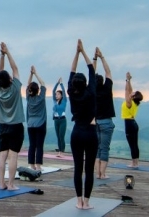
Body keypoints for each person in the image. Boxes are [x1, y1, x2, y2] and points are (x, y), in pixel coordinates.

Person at [68, 39, 98, 209]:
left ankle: (78, 201)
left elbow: (71, 71)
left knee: (78, 168)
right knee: (89, 169)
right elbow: (91, 70)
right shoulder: (91, 92)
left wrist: (76, 53)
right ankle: (86, 202)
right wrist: (83, 51)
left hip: (77, 133)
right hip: (90, 132)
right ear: (85, 83)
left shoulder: (72, 92)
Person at [0, 42, 25, 191]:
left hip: (3, 126)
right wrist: (7, 53)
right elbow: (15, 69)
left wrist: (2, 55)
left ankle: (1, 184)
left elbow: (0, 71)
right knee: (13, 156)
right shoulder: (15, 87)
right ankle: (11, 184)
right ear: (9, 80)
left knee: (2, 155)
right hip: (16, 126)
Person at [92, 47, 114, 179]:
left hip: (95, 122)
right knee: (105, 148)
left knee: (97, 148)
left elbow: (91, 72)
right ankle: (103, 173)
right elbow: (108, 72)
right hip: (106, 121)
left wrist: (94, 59)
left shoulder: (92, 91)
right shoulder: (107, 88)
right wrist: (101, 57)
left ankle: (97, 173)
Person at [26, 66, 47, 171]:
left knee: (32, 145)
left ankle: (31, 165)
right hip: (40, 124)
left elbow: (27, 86)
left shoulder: (28, 98)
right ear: (38, 90)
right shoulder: (41, 98)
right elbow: (43, 83)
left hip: (30, 124)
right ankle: (38, 166)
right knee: (39, 145)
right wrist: (36, 73)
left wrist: (31, 74)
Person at [122, 71, 143, 168]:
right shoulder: (134, 103)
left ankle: (133, 163)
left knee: (132, 144)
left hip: (129, 124)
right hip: (133, 123)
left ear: (133, 97)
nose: (131, 93)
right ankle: (136, 163)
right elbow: (129, 91)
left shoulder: (129, 103)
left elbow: (127, 92)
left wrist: (127, 80)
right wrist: (129, 80)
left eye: (133, 93)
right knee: (135, 143)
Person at [52, 77, 67, 158]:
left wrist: (61, 84)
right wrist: (56, 83)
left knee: (61, 135)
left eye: (58, 94)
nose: (56, 95)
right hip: (56, 120)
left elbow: (64, 92)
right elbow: (52, 91)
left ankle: (62, 151)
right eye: (56, 94)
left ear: (61, 95)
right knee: (58, 136)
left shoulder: (64, 101)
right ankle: (59, 151)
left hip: (63, 120)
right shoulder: (55, 101)